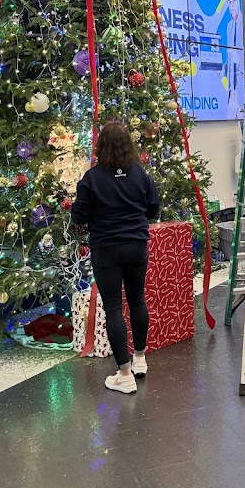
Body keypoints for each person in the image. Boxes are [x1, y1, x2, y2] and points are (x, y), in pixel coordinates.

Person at [72, 121, 160, 394]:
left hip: (106, 248)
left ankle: (124, 374)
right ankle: (140, 359)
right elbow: (153, 210)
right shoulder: (140, 174)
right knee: (137, 300)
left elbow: (79, 218)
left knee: (113, 307)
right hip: (136, 245)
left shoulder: (92, 178)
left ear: (101, 147)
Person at [224, 0, 244, 119]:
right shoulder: (229, 26)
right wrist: (221, 70)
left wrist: (239, 60)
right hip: (232, 91)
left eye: (233, 1)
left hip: (243, 90)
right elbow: (230, 61)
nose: (231, 5)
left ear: (238, 0)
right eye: (229, 2)